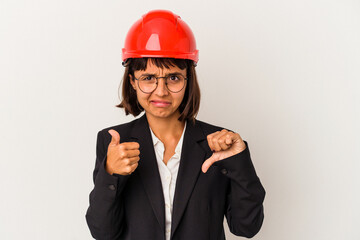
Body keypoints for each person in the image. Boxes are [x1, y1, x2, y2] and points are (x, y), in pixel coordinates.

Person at [85, 9, 265, 240]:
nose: (161, 91)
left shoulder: (219, 145)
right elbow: (103, 232)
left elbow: (247, 227)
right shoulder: (113, 143)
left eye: (173, 78)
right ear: (132, 82)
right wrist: (111, 174)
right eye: (148, 78)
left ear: (188, 81)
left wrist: (240, 162)